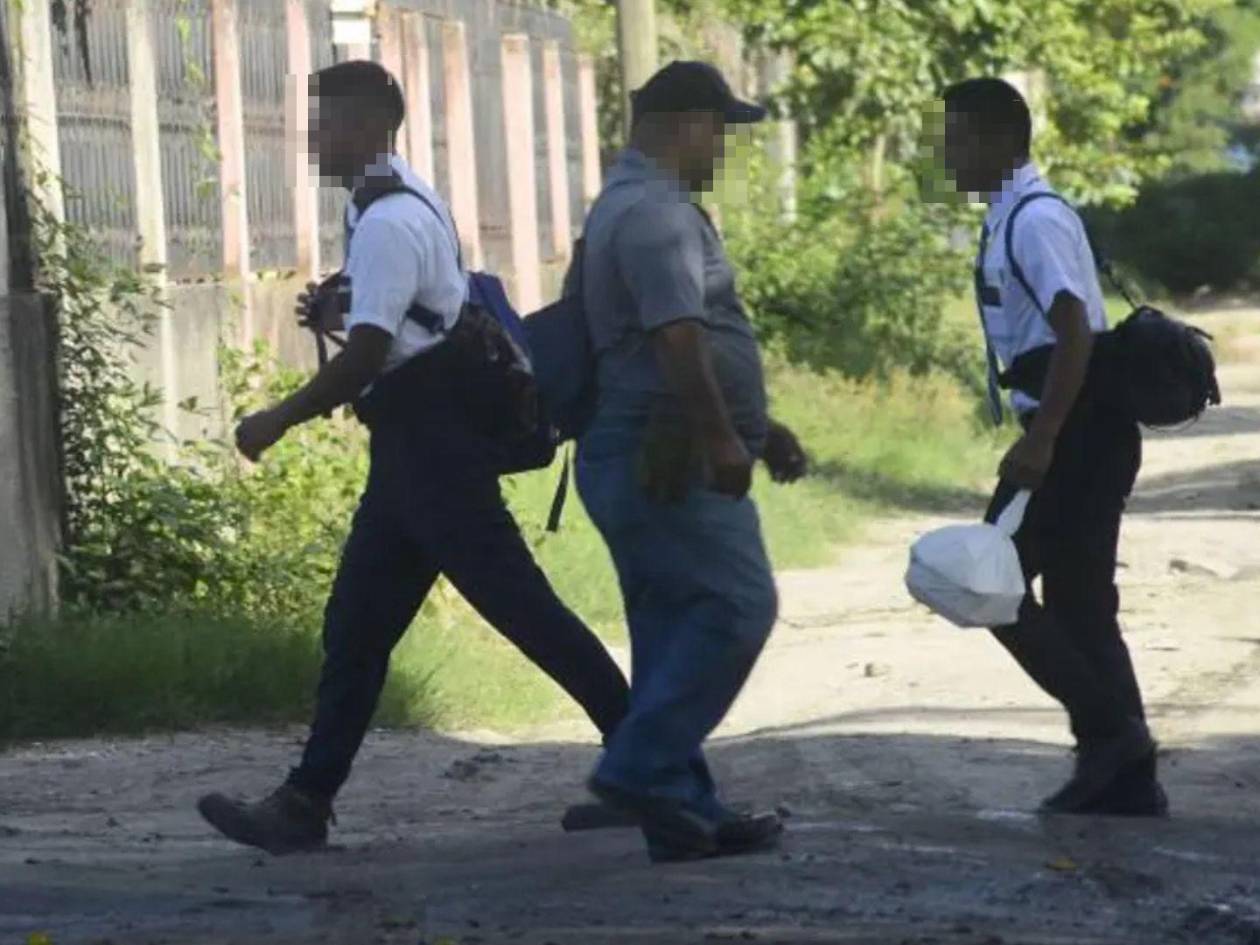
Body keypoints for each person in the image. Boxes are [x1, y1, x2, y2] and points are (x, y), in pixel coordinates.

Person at [196, 60, 630, 854]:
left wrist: (276, 420)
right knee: (357, 626)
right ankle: (304, 802)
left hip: (432, 449)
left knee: (525, 612)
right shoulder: (391, 202)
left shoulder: (390, 221)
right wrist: (342, 300)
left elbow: (368, 355)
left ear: (368, 127)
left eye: (327, 125)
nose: (315, 140)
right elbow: (417, 314)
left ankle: (656, 768)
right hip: (411, 449)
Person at [575, 60, 809, 862]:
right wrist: (720, 438)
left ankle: (681, 811)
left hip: (643, 444)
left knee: (671, 627)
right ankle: (639, 769)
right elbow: (677, 337)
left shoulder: (629, 204)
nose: (722, 148)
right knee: (739, 604)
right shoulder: (658, 214)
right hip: (666, 451)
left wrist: (758, 427)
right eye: (718, 131)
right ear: (686, 125)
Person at [937, 77, 1165, 816]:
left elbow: (1074, 333)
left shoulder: (1034, 220)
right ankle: (1128, 778)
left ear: (1003, 139)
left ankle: (1112, 735)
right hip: (1080, 429)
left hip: (1076, 432)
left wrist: (1042, 438)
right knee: (1081, 605)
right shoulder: (1013, 216)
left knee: (984, 578)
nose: (948, 156)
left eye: (958, 140)